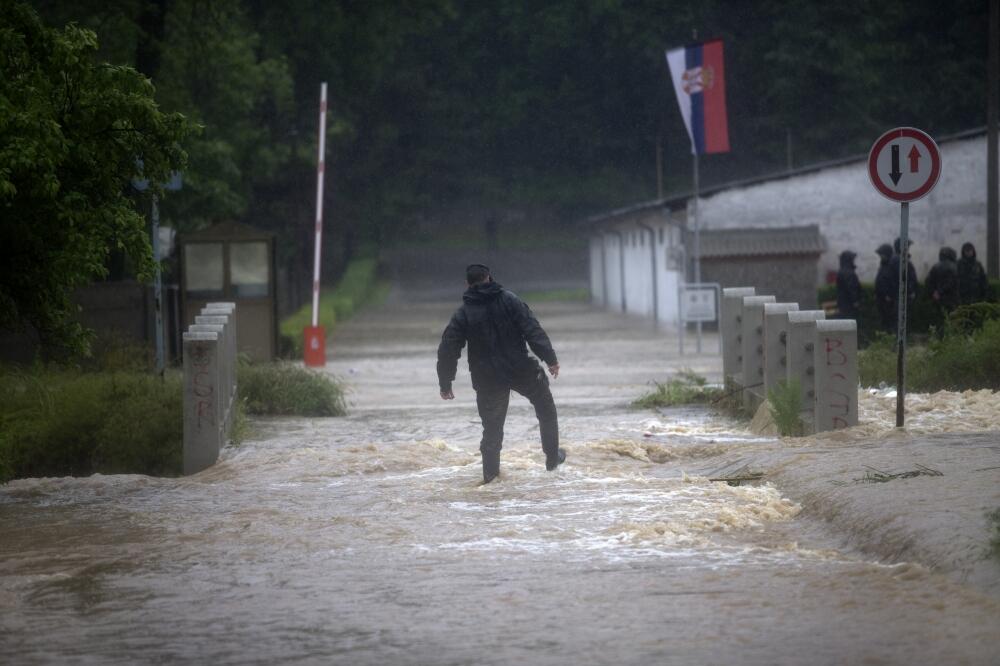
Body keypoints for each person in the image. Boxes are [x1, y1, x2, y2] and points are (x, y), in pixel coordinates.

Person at [437, 264, 565, 483]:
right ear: (489, 277)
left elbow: (449, 349)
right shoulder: (510, 300)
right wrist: (550, 359)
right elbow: (532, 329)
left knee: (492, 430)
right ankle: (552, 460)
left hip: (487, 378)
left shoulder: (463, 313)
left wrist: (445, 383)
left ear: (468, 284)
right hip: (521, 369)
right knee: (546, 409)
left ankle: (491, 479)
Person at [887, 237, 918, 331]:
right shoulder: (899, 260)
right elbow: (904, 279)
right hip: (901, 296)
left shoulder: (897, 259)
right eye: (907, 246)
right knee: (900, 321)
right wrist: (910, 291)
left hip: (900, 296)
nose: (908, 248)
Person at [925, 246, 959, 317]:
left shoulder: (935, 266)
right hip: (951, 299)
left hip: (938, 299)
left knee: (939, 319)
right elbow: (952, 283)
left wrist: (934, 292)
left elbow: (928, 282)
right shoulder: (954, 267)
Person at [874, 243, 895, 331]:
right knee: (883, 320)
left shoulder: (891, 266)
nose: (881, 256)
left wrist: (888, 295)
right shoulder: (883, 265)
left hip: (887, 299)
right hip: (881, 298)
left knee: (889, 320)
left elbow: (891, 282)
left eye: (882, 254)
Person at [835, 250, 861, 319]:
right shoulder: (848, 273)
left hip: (842, 302)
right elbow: (852, 288)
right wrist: (855, 300)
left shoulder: (842, 271)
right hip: (848, 303)